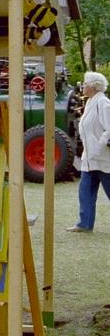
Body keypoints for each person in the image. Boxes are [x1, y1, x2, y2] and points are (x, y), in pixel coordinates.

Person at [67, 71, 110, 232]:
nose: (83, 86)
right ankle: (84, 224)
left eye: (85, 83)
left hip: (103, 158)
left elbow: (109, 129)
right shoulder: (91, 102)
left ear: (93, 86)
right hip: (90, 158)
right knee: (85, 191)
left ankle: (84, 223)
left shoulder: (103, 103)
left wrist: (99, 147)